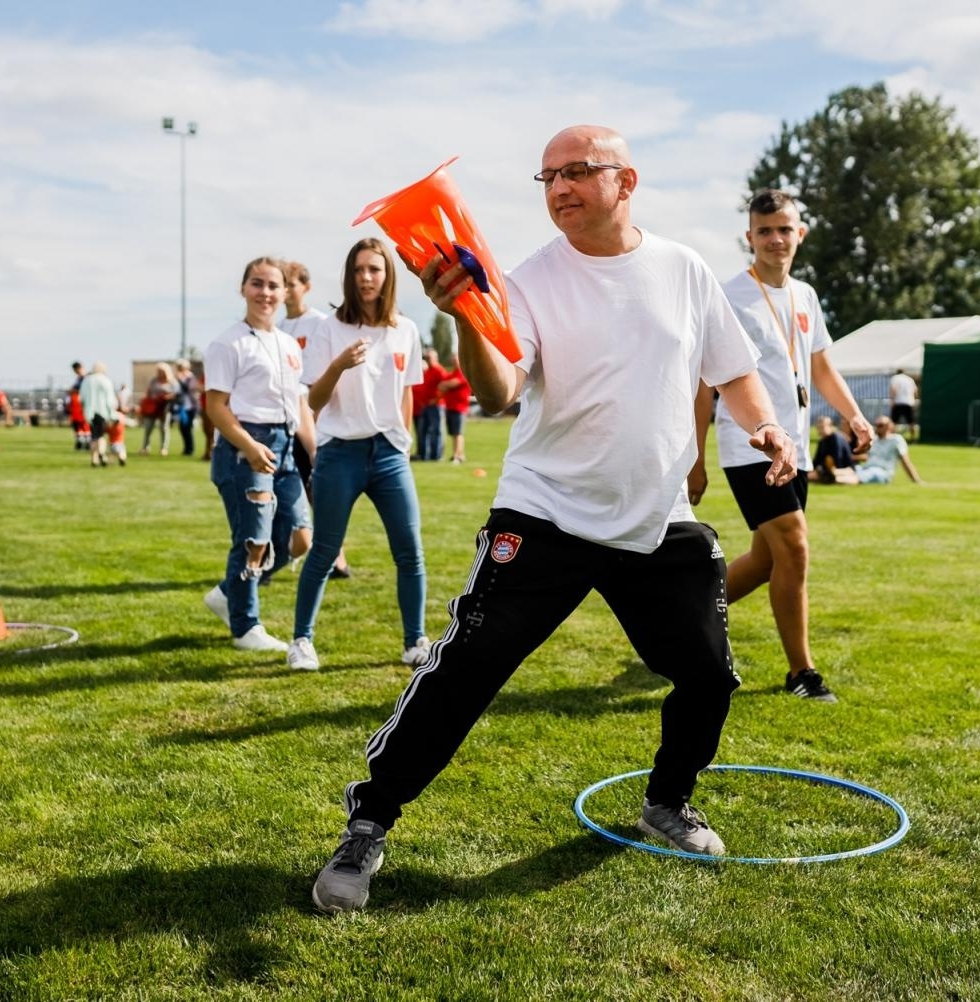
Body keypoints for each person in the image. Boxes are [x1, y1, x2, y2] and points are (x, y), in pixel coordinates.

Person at [311, 125, 797, 913]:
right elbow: (500, 391)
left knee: (708, 675)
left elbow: (733, 370)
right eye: (547, 177)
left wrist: (766, 424)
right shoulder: (529, 280)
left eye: (577, 172)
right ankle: (368, 824)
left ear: (626, 180)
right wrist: (467, 314)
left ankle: (667, 801)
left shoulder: (684, 270)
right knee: (464, 672)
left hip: (657, 517)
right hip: (545, 514)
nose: (559, 188)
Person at [690, 189, 871, 705]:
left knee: (768, 560)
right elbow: (706, 386)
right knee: (795, 546)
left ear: (800, 234)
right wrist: (696, 461)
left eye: (784, 229)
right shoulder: (728, 297)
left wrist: (853, 414)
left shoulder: (806, 296)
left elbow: (820, 368)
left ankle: (681, 617)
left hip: (797, 451)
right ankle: (802, 673)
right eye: (764, 230)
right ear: (749, 237)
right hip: (749, 447)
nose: (775, 239)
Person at [290, 238, 430, 674]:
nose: (366, 278)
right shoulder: (329, 329)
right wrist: (337, 366)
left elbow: (406, 394)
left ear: (388, 275)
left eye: (375, 269)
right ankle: (302, 642)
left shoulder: (404, 329)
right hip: (339, 454)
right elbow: (313, 399)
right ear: (348, 277)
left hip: (389, 454)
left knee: (410, 552)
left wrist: (403, 445)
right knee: (324, 550)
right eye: (358, 270)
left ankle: (415, 642)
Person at [201, 257, 310, 652]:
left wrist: (309, 455)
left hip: (286, 446)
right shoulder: (227, 343)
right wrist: (248, 445)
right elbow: (216, 407)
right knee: (253, 540)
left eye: (273, 286)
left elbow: (299, 405)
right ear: (243, 288)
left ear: (285, 292)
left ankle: (228, 592)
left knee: (301, 537)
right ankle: (246, 627)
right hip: (244, 447)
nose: (265, 293)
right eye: (257, 284)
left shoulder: (287, 343)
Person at [279, 260, 352, 579]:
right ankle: (290, 550)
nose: (286, 291)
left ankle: (337, 558)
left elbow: (325, 375)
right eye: (283, 284)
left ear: (305, 287)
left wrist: (319, 416)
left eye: (291, 284)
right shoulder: (279, 327)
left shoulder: (320, 323)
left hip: (313, 420)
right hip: (284, 418)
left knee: (319, 491)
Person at [857, 416, 923, 484]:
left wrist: (916, 480)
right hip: (866, 468)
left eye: (880, 425)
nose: (877, 427)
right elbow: (867, 457)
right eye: (876, 425)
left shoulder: (896, 440)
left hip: (883, 472)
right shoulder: (873, 440)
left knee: (864, 474)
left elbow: (905, 461)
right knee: (850, 469)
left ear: (889, 426)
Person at [79, 362, 119, 468]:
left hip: (89, 413)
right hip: (102, 411)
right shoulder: (106, 381)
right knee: (101, 435)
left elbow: (81, 398)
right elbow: (110, 399)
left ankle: (94, 459)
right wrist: (113, 414)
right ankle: (101, 452)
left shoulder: (86, 380)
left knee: (93, 436)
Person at [438, 353, 473, 463]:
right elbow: (442, 385)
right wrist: (446, 384)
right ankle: (457, 454)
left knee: (458, 433)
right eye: (452, 359)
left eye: (456, 359)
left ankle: (458, 456)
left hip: (460, 408)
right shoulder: (452, 373)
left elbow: (452, 384)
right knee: (454, 433)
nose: (454, 361)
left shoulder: (463, 372)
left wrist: (446, 384)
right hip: (450, 407)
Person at [411, 346, 445, 460]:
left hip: (436, 406)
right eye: (427, 357)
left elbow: (445, 387)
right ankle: (424, 455)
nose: (428, 359)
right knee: (423, 431)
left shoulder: (440, 371)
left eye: (430, 357)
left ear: (436, 358)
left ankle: (437, 456)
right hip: (424, 407)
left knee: (436, 431)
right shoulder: (427, 371)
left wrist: (436, 399)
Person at [140, 362, 178, 455]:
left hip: (165, 407)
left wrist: (166, 397)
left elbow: (176, 394)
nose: (159, 373)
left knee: (164, 428)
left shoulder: (172, 381)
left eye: (161, 371)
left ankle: (164, 448)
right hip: (153, 406)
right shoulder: (154, 380)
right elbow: (148, 392)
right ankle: (145, 447)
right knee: (148, 427)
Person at [809, 416, 859, 485]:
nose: (820, 430)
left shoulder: (836, 439)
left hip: (845, 470)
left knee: (833, 476)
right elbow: (816, 461)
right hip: (829, 470)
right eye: (818, 427)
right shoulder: (822, 442)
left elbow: (838, 462)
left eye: (822, 427)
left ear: (831, 426)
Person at [172, 360, 200, 457]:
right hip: (182, 406)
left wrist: (180, 380)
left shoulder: (191, 377)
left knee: (188, 428)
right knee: (182, 428)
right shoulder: (179, 378)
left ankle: (190, 449)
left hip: (191, 406)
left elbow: (188, 389)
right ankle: (186, 448)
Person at [889, 368, 919, 437]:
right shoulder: (910, 379)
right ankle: (913, 438)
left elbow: (894, 390)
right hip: (909, 403)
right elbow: (915, 391)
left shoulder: (895, 378)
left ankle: (892, 437)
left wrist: (892, 401)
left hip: (898, 402)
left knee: (894, 422)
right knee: (911, 422)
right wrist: (913, 400)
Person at [68, 361, 90, 450]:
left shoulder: (84, 378)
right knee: (79, 424)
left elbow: (82, 390)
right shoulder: (80, 378)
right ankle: (81, 442)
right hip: (77, 404)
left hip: (80, 404)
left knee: (82, 424)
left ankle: (85, 443)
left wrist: (73, 390)